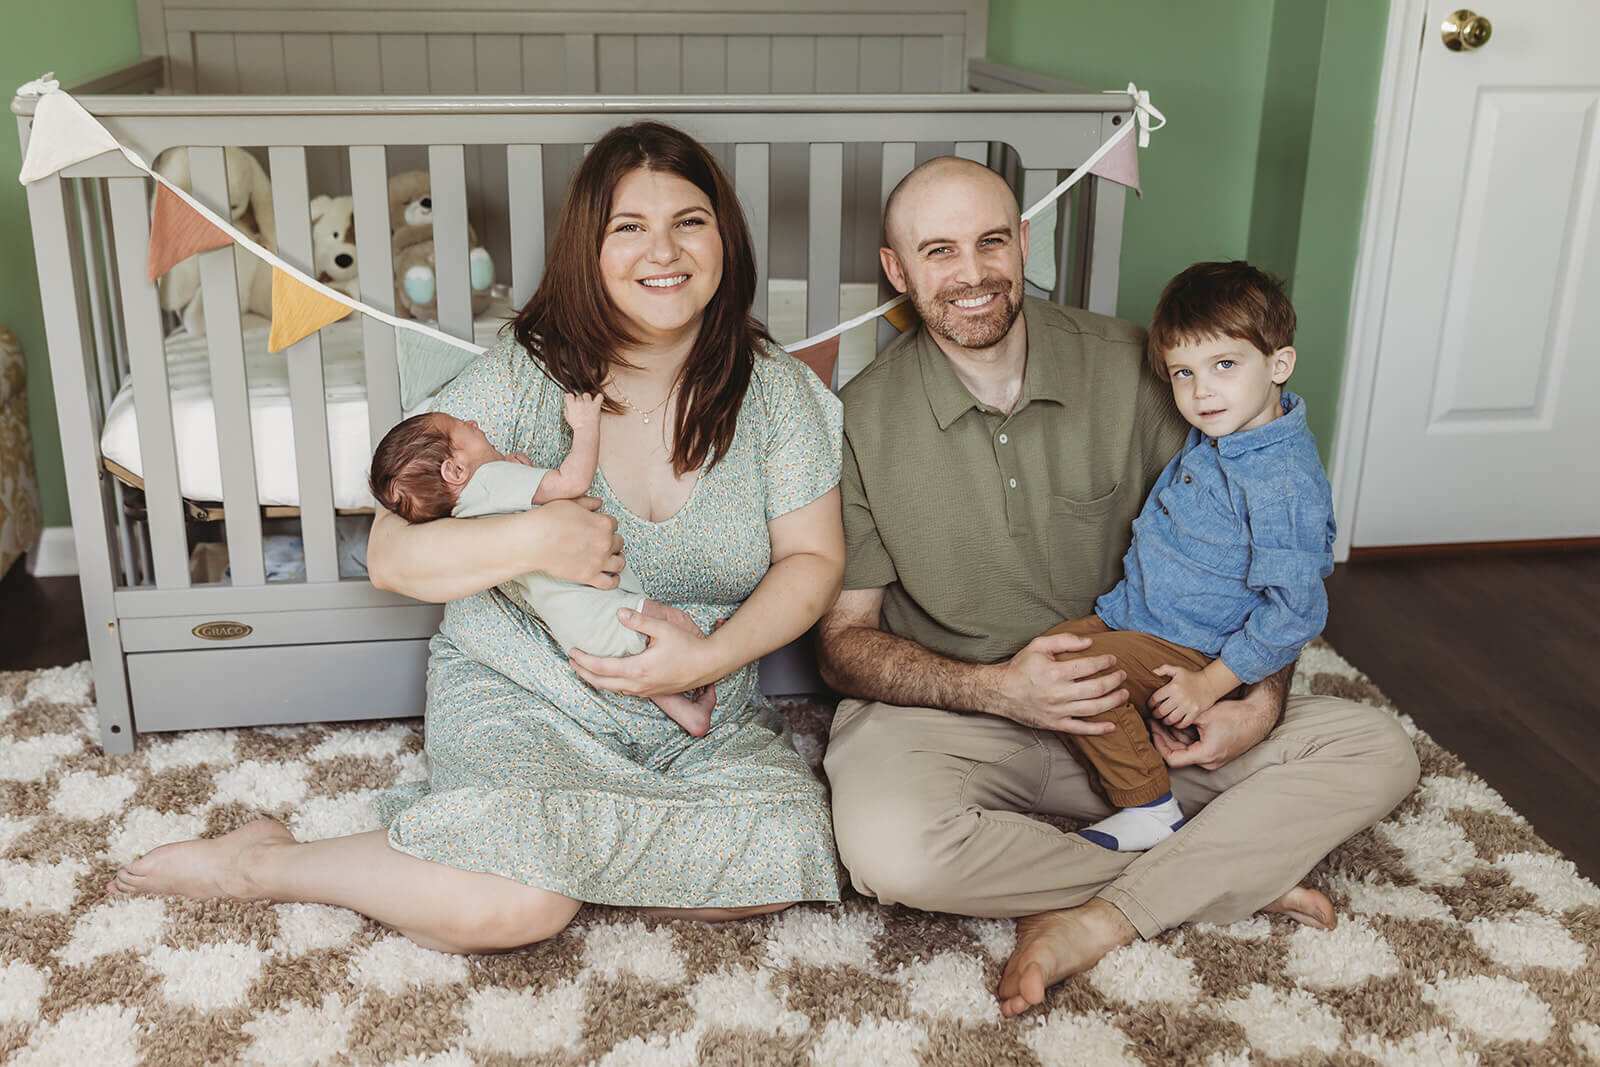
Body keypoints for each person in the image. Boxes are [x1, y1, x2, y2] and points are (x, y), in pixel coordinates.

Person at [108, 121, 847, 951]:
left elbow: (813, 561)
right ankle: (267, 864)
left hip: (694, 710)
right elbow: (391, 554)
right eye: (628, 228)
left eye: (689, 220)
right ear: (588, 249)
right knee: (512, 911)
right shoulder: (532, 370)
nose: (662, 250)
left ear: (724, 236)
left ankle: (519, 853)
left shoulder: (775, 393)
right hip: (527, 690)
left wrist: (705, 659)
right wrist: (535, 540)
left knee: (787, 848)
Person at [816, 156, 1419, 1018]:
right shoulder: (857, 419)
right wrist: (997, 690)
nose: (974, 273)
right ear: (897, 272)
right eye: (938, 251)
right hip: (958, 720)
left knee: (1377, 750)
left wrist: (1258, 701)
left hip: (1152, 704)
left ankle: (1097, 914)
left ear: (1024, 244)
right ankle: (1215, 878)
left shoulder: (1143, 366)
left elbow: (1262, 550)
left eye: (992, 242)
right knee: (888, 849)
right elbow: (842, 643)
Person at [1039, 260, 1336, 854]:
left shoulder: (1281, 481)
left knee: (1078, 678)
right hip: (1140, 618)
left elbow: (1297, 609)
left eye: (1224, 365)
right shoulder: (1226, 435)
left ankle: (1150, 807)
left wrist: (1210, 684)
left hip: (1198, 650)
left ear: (1279, 364)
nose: (1201, 391)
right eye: (1183, 373)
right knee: (1047, 658)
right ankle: (1141, 744)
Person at [367, 399, 716, 736]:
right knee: (672, 625)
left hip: (578, 633)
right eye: (463, 428)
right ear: (455, 471)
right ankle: (710, 662)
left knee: (644, 668)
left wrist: (518, 471)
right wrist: (585, 426)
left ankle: (690, 715)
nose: (474, 423)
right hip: (604, 607)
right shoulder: (490, 479)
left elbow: (518, 508)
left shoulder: (464, 512)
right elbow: (571, 482)